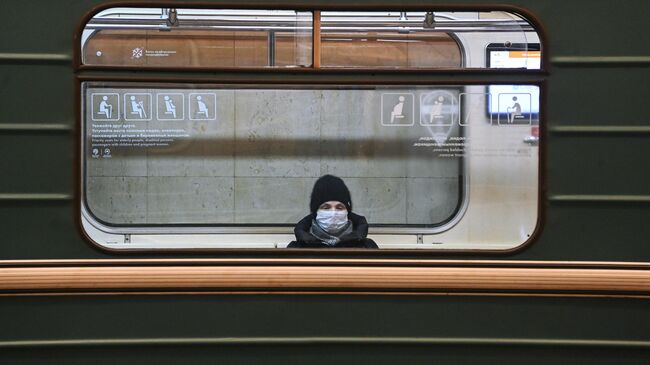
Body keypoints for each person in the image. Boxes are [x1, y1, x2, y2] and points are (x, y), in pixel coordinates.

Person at [288, 175, 378, 248]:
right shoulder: (297, 247)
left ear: (347, 212)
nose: (333, 213)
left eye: (339, 207)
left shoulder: (367, 246)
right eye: (326, 207)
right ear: (316, 212)